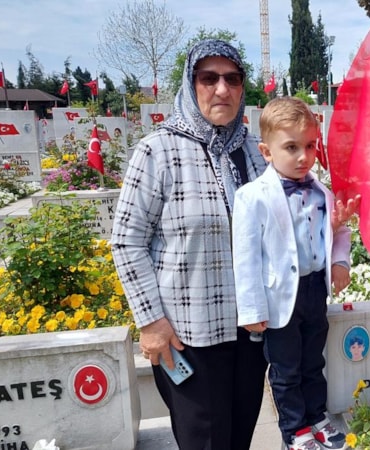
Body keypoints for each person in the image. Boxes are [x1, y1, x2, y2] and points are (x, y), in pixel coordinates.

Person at [110, 39, 270, 450]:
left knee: (238, 437)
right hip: (188, 334)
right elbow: (127, 241)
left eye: (232, 79)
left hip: (250, 333)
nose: (222, 89)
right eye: (209, 78)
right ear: (191, 82)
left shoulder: (255, 151)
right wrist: (150, 321)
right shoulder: (158, 151)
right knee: (205, 441)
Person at [232, 97, 352, 450]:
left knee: (314, 362)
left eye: (310, 146)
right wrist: (251, 310)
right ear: (266, 152)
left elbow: (338, 231)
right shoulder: (252, 197)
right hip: (279, 297)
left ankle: (317, 417)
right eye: (291, 147)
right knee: (286, 370)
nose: (304, 156)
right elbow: (246, 257)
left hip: (315, 290)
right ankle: (295, 430)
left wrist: (339, 262)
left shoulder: (321, 192)